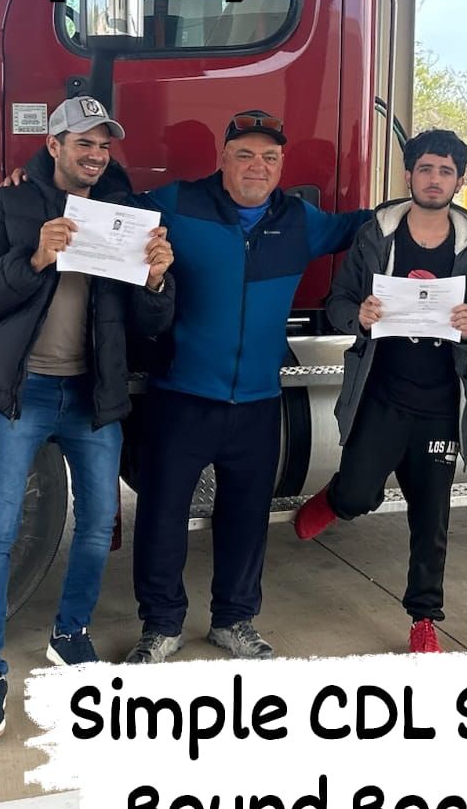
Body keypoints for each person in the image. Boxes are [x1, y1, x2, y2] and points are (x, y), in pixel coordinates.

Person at [0, 97, 174, 739]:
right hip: (22, 392)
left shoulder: (125, 216)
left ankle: (70, 633)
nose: (94, 155)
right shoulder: (8, 204)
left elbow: (148, 325)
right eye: (83, 143)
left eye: (104, 145)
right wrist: (33, 261)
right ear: (53, 145)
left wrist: (158, 280)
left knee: (98, 521)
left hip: (92, 395)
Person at [126, 109, 371, 664]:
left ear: (281, 164)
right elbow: (104, 210)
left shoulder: (300, 221)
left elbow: (363, 225)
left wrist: (426, 201)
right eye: (244, 154)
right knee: (163, 515)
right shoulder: (178, 202)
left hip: (260, 400)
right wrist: (36, 182)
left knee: (245, 517)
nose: (256, 166)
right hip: (183, 394)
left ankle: (234, 621)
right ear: (223, 158)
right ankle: (160, 626)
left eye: (269, 157)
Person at [294, 130, 467, 653]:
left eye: (447, 171)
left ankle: (424, 619)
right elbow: (338, 299)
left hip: (441, 401)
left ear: (458, 179)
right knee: (362, 493)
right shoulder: (376, 234)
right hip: (382, 393)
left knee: (432, 513)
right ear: (409, 175)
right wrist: (356, 316)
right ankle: (338, 499)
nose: (435, 180)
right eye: (426, 169)